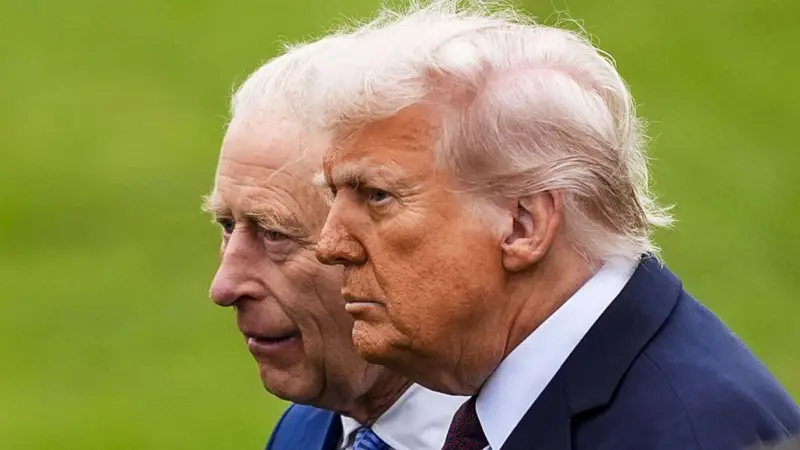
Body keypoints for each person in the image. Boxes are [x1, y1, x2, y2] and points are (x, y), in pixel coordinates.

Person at [299, 1, 800, 449]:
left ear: (523, 225)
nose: (329, 245)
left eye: (377, 196)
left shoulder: (689, 434)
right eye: (335, 196)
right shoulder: (551, 389)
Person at [202, 34, 466, 450]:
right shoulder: (300, 433)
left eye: (274, 234)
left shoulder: (544, 431)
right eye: (228, 225)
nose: (224, 287)